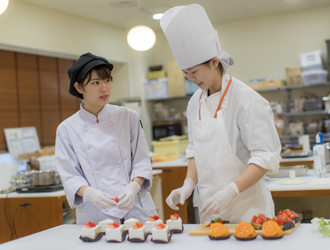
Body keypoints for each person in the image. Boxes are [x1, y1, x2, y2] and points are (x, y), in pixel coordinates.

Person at [160, 4, 281, 223]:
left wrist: (232, 190)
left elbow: (265, 156)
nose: (192, 79)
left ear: (214, 62)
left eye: (195, 72)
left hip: (249, 208)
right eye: (186, 74)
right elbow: (195, 149)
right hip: (210, 209)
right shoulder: (194, 102)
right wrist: (188, 184)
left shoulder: (246, 99)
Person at [55, 52, 156, 225]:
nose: (105, 88)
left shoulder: (127, 117)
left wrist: (133, 187)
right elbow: (70, 175)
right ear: (79, 88)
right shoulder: (67, 128)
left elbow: (142, 160)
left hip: (135, 207)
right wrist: (89, 194)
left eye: (108, 80)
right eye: (96, 83)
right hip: (96, 212)